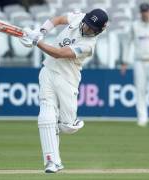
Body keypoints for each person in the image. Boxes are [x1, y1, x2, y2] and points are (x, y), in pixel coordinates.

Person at [20, 9, 108, 173]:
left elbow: (60, 53)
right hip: (48, 70)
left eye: (91, 28)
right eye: (87, 24)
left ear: (98, 30)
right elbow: (58, 19)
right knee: (46, 116)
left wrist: (36, 42)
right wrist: (40, 32)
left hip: (68, 79)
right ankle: (53, 162)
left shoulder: (88, 45)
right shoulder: (79, 17)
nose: (86, 28)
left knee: (67, 127)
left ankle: (70, 122)